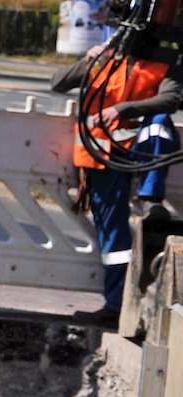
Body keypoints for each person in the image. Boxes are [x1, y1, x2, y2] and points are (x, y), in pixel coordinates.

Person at [50, 42, 182, 323]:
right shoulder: (103, 62)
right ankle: (115, 306)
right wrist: (87, 63)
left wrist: (123, 109)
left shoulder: (163, 64)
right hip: (100, 155)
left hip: (136, 151)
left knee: (159, 123)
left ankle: (151, 198)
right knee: (114, 238)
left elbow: (170, 100)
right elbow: (58, 82)